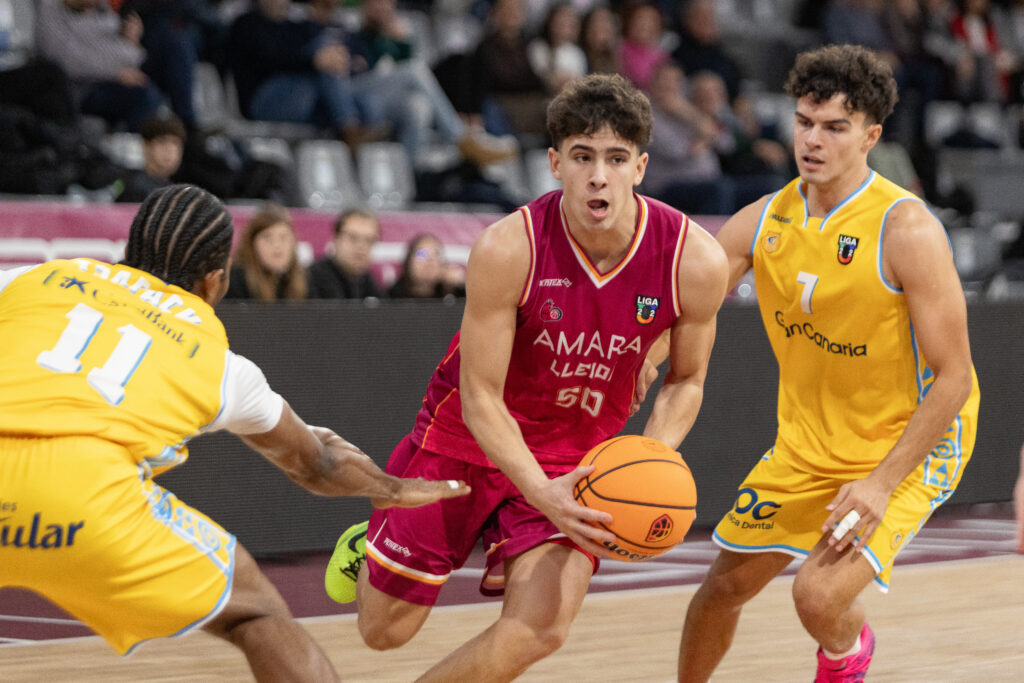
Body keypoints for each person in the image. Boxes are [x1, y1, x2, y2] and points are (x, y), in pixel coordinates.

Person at [323, 73, 729, 680]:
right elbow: (481, 395)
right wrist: (539, 491)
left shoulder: (693, 259)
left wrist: (646, 456)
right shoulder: (509, 247)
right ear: (554, 163)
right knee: (383, 633)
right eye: (582, 157)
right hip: (465, 439)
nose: (599, 176)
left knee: (541, 627)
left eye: (616, 159)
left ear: (641, 167)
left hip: (577, 458)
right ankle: (369, 542)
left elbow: (687, 380)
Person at [0, 184, 470, 680]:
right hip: (86, 501)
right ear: (215, 283)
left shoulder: (30, 278)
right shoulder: (224, 365)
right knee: (257, 613)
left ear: (126, 254)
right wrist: (392, 488)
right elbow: (320, 464)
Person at [675, 44, 980, 681]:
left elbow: (956, 378)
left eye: (835, 127)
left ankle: (848, 655)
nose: (813, 140)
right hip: (807, 446)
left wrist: (878, 484)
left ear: (869, 136)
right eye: (804, 122)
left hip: (906, 445)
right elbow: (684, 306)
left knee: (815, 595)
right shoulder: (764, 220)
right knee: (718, 595)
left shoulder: (907, 230)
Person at [224, 203, 310, 301]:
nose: (277, 245)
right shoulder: (235, 280)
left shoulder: (306, 279)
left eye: (284, 237)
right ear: (252, 243)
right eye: (267, 238)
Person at [307, 208, 385, 299]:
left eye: (369, 240)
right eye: (353, 237)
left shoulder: (370, 282)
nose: (361, 246)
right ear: (335, 239)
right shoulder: (310, 280)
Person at [113, 115, 186, 203]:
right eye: (162, 142)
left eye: (175, 144)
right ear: (146, 145)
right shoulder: (135, 187)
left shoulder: (174, 190)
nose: (169, 150)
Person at [386, 233, 447, 299]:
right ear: (408, 262)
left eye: (436, 254)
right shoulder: (388, 299)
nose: (430, 261)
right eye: (421, 254)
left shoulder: (451, 295)